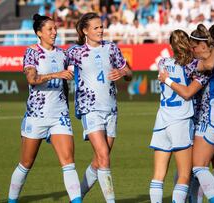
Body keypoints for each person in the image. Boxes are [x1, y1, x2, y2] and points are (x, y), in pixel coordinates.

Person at [8, 14, 81, 203]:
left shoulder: (62, 53)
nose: (54, 32)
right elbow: (32, 79)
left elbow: (73, 72)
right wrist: (56, 74)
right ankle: (11, 200)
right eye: (50, 29)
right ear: (39, 33)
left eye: (55, 28)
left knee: (69, 164)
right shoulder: (32, 52)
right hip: (37, 115)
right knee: (26, 164)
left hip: (60, 115)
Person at [150, 29, 214, 203]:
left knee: (158, 175)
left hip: (162, 121)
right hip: (181, 121)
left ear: (171, 45)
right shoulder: (190, 65)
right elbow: (207, 65)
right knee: (184, 174)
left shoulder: (162, 62)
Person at [67, 12, 132, 202]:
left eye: (101, 27)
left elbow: (130, 73)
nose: (101, 30)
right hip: (90, 109)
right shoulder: (75, 52)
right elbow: (58, 67)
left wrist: (122, 72)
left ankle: (76, 198)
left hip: (111, 110)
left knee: (99, 161)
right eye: (96, 28)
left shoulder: (111, 48)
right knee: (104, 157)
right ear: (85, 31)